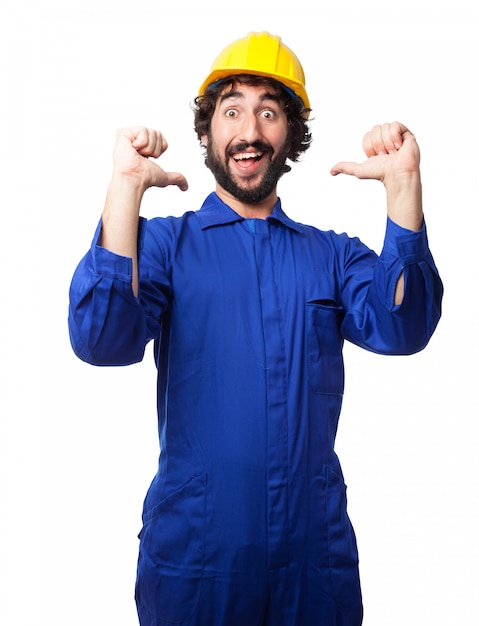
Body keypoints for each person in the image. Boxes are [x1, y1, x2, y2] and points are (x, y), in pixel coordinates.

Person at [68, 31, 443, 626]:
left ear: (289, 134)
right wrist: (124, 190)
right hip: (196, 565)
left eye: (269, 112)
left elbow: (405, 326)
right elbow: (102, 339)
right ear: (209, 132)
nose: (249, 130)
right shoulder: (164, 245)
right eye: (232, 110)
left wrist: (403, 193)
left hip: (312, 568)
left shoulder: (332, 256)